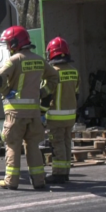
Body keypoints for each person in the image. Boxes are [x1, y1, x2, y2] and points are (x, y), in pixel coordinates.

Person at [0, 26, 58, 190]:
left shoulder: (15, 60)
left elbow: (0, 78)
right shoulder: (39, 60)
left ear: (16, 43)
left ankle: (11, 181)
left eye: (9, 44)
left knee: (13, 145)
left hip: (15, 113)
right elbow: (54, 77)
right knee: (32, 145)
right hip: (34, 113)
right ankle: (38, 180)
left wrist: (6, 92)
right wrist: (43, 92)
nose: (8, 47)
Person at [41, 37, 80, 185]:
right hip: (70, 116)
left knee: (57, 144)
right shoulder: (74, 72)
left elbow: (46, 93)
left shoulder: (52, 73)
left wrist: (40, 110)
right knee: (66, 143)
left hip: (55, 116)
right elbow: (77, 93)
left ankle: (58, 174)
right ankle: (66, 173)